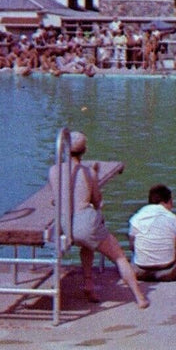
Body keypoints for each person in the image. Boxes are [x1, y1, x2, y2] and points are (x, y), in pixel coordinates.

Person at [48, 132, 148, 308]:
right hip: (84, 223)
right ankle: (139, 297)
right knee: (118, 256)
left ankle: (89, 285)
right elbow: (96, 200)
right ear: (84, 151)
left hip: (65, 224)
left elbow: (58, 197)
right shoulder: (89, 173)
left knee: (89, 244)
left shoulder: (54, 171)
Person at [128, 184, 176, 282]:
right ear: (168, 201)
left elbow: (132, 246)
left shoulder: (137, 217)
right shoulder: (171, 218)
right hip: (167, 272)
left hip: (140, 271)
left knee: (134, 257)